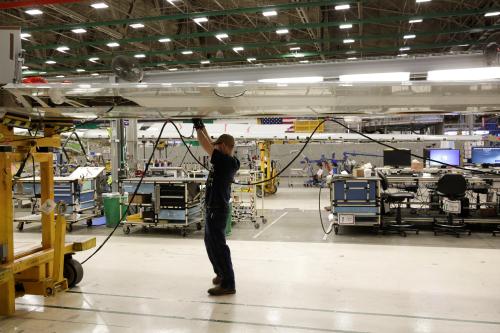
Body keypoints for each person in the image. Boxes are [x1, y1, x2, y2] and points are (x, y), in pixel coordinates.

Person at [192, 118, 240, 296]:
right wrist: (202, 126)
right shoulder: (224, 160)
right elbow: (209, 142)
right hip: (213, 209)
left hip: (218, 210)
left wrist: (197, 127)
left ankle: (228, 283)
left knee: (219, 246)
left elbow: (205, 145)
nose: (216, 150)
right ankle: (221, 273)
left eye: (218, 146)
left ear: (226, 146)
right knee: (210, 243)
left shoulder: (226, 162)